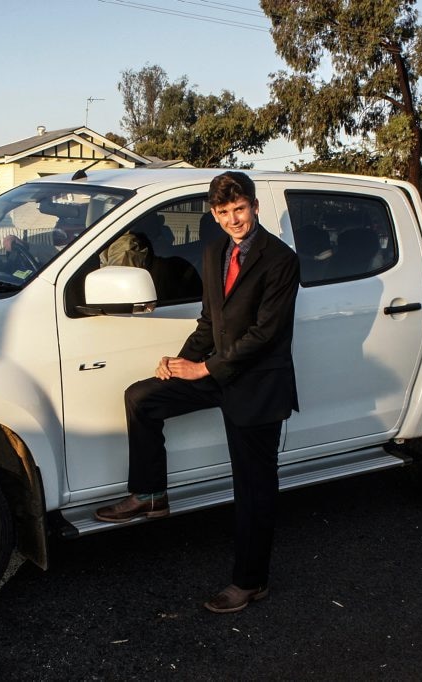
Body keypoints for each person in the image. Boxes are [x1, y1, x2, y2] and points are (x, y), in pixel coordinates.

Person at [94, 171, 301, 614]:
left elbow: (266, 334)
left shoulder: (280, 259)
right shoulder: (213, 252)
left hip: (258, 384)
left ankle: (250, 582)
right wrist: (179, 362)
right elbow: (211, 322)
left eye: (240, 209)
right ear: (214, 214)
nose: (234, 220)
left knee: (253, 489)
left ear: (254, 207)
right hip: (219, 371)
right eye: (224, 213)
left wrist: (203, 367)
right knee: (143, 397)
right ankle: (150, 494)